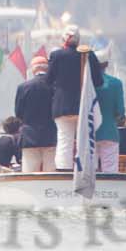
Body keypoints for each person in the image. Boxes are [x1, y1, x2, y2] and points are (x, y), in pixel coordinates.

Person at [46, 27, 87, 169]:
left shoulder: (57, 56)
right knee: (84, 141)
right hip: (84, 104)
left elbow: (48, 80)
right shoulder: (88, 55)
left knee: (64, 139)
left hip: (62, 104)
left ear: (64, 39)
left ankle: (64, 170)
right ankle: (84, 169)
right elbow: (98, 81)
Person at [15, 49, 57, 172]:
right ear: (48, 68)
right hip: (51, 134)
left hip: (29, 136)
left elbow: (18, 112)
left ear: (33, 69)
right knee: (50, 172)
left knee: (29, 172)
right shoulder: (55, 85)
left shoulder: (23, 87)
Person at [92, 43, 126, 175]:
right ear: (106, 64)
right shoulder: (116, 83)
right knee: (110, 170)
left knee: (90, 170)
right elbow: (120, 111)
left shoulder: (86, 83)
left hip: (89, 132)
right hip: (110, 131)